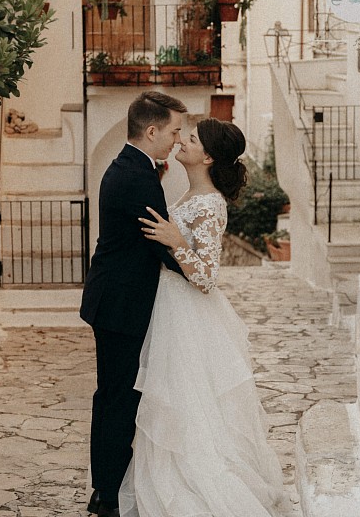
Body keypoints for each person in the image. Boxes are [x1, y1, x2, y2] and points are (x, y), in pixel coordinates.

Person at [119, 117, 287, 517]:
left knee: (186, 400)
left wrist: (177, 243)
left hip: (187, 313)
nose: (182, 141)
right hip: (171, 306)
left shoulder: (209, 204)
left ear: (208, 156)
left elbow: (208, 277)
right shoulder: (191, 195)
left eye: (190, 139)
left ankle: (195, 486)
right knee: (178, 398)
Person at [81, 91, 189, 517]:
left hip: (115, 299)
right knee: (118, 398)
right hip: (120, 305)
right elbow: (160, 244)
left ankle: (105, 487)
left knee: (113, 396)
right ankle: (108, 495)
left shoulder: (130, 167)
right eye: (174, 131)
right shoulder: (137, 177)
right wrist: (197, 272)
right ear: (151, 130)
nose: (178, 140)